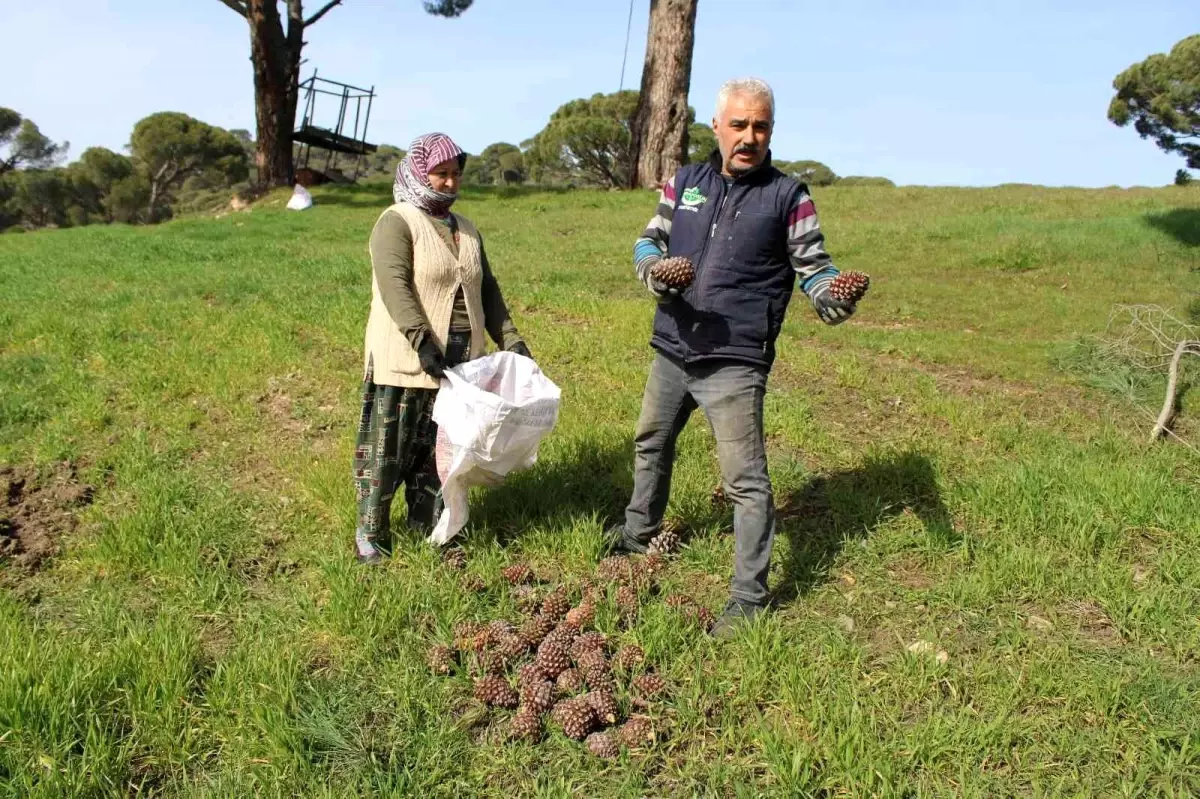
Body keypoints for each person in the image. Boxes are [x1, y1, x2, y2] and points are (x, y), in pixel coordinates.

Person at [603, 77, 861, 637]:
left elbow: (814, 268)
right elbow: (649, 241)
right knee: (651, 442)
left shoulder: (789, 196)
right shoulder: (686, 182)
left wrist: (832, 297)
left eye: (760, 126)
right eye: (738, 125)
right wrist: (655, 273)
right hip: (673, 347)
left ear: (771, 130)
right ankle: (636, 538)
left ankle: (749, 598)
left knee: (745, 481)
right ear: (716, 127)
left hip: (735, 361)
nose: (749, 136)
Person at [353, 133, 530, 564]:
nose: (451, 183)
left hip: (457, 368)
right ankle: (371, 536)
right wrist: (420, 340)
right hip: (406, 362)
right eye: (442, 174)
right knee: (388, 449)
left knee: (439, 453)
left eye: (456, 175)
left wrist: (511, 338)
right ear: (419, 173)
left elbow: (487, 289)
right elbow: (395, 287)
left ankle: (430, 526)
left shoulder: (465, 228)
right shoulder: (396, 222)